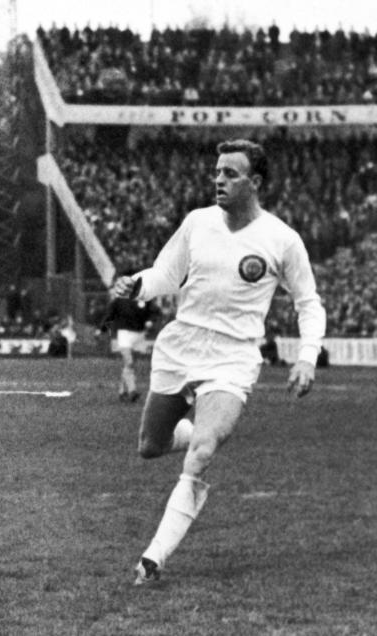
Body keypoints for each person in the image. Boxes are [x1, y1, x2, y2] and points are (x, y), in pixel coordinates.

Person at [112, 139, 325, 584]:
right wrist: (136, 285)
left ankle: (153, 559)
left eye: (230, 173)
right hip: (181, 345)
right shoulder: (197, 222)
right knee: (150, 445)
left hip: (233, 356)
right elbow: (166, 275)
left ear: (256, 182)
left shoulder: (282, 239)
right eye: (217, 172)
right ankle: (192, 434)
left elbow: (309, 303)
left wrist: (306, 357)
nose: (219, 180)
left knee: (203, 452)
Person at [101, 284, 160, 402]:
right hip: (124, 335)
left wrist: (150, 321)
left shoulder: (145, 298)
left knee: (129, 365)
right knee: (129, 362)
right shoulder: (119, 300)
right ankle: (132, 390)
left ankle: (122, 391)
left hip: (139, 335)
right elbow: (109, 314)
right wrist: (101, 328)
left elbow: (154, 312)